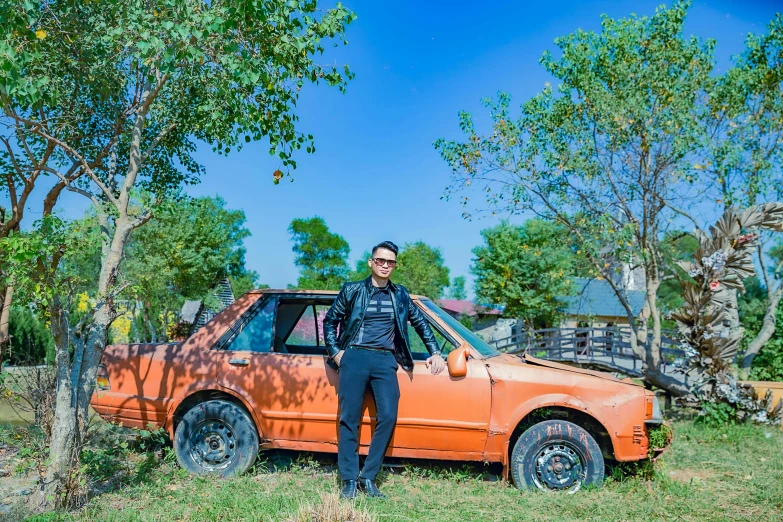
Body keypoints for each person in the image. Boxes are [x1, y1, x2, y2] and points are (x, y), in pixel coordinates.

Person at [323, 240, 446, 499]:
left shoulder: (400, 294)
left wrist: (435, 352)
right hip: (353, 356)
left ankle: (367, 477)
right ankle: (348, 480)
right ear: (371, 262)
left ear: (394, 265)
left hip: (384, 360)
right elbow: (330, 320)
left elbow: (420, 322)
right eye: (381, 260)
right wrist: (337, 352)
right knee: (349, 419)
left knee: (388, 415)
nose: (385, 265)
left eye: (390, 262)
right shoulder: (352, 290)